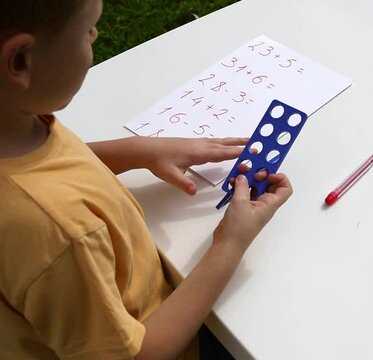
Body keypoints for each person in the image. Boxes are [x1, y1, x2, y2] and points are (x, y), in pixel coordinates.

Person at [0, 0, 293, 359]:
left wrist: (137, 152)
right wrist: (229, 244)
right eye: (87, 29)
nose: (96, 35)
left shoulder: (15, 126)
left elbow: (43, 167)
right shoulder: (59, 237)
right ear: (21, 61)